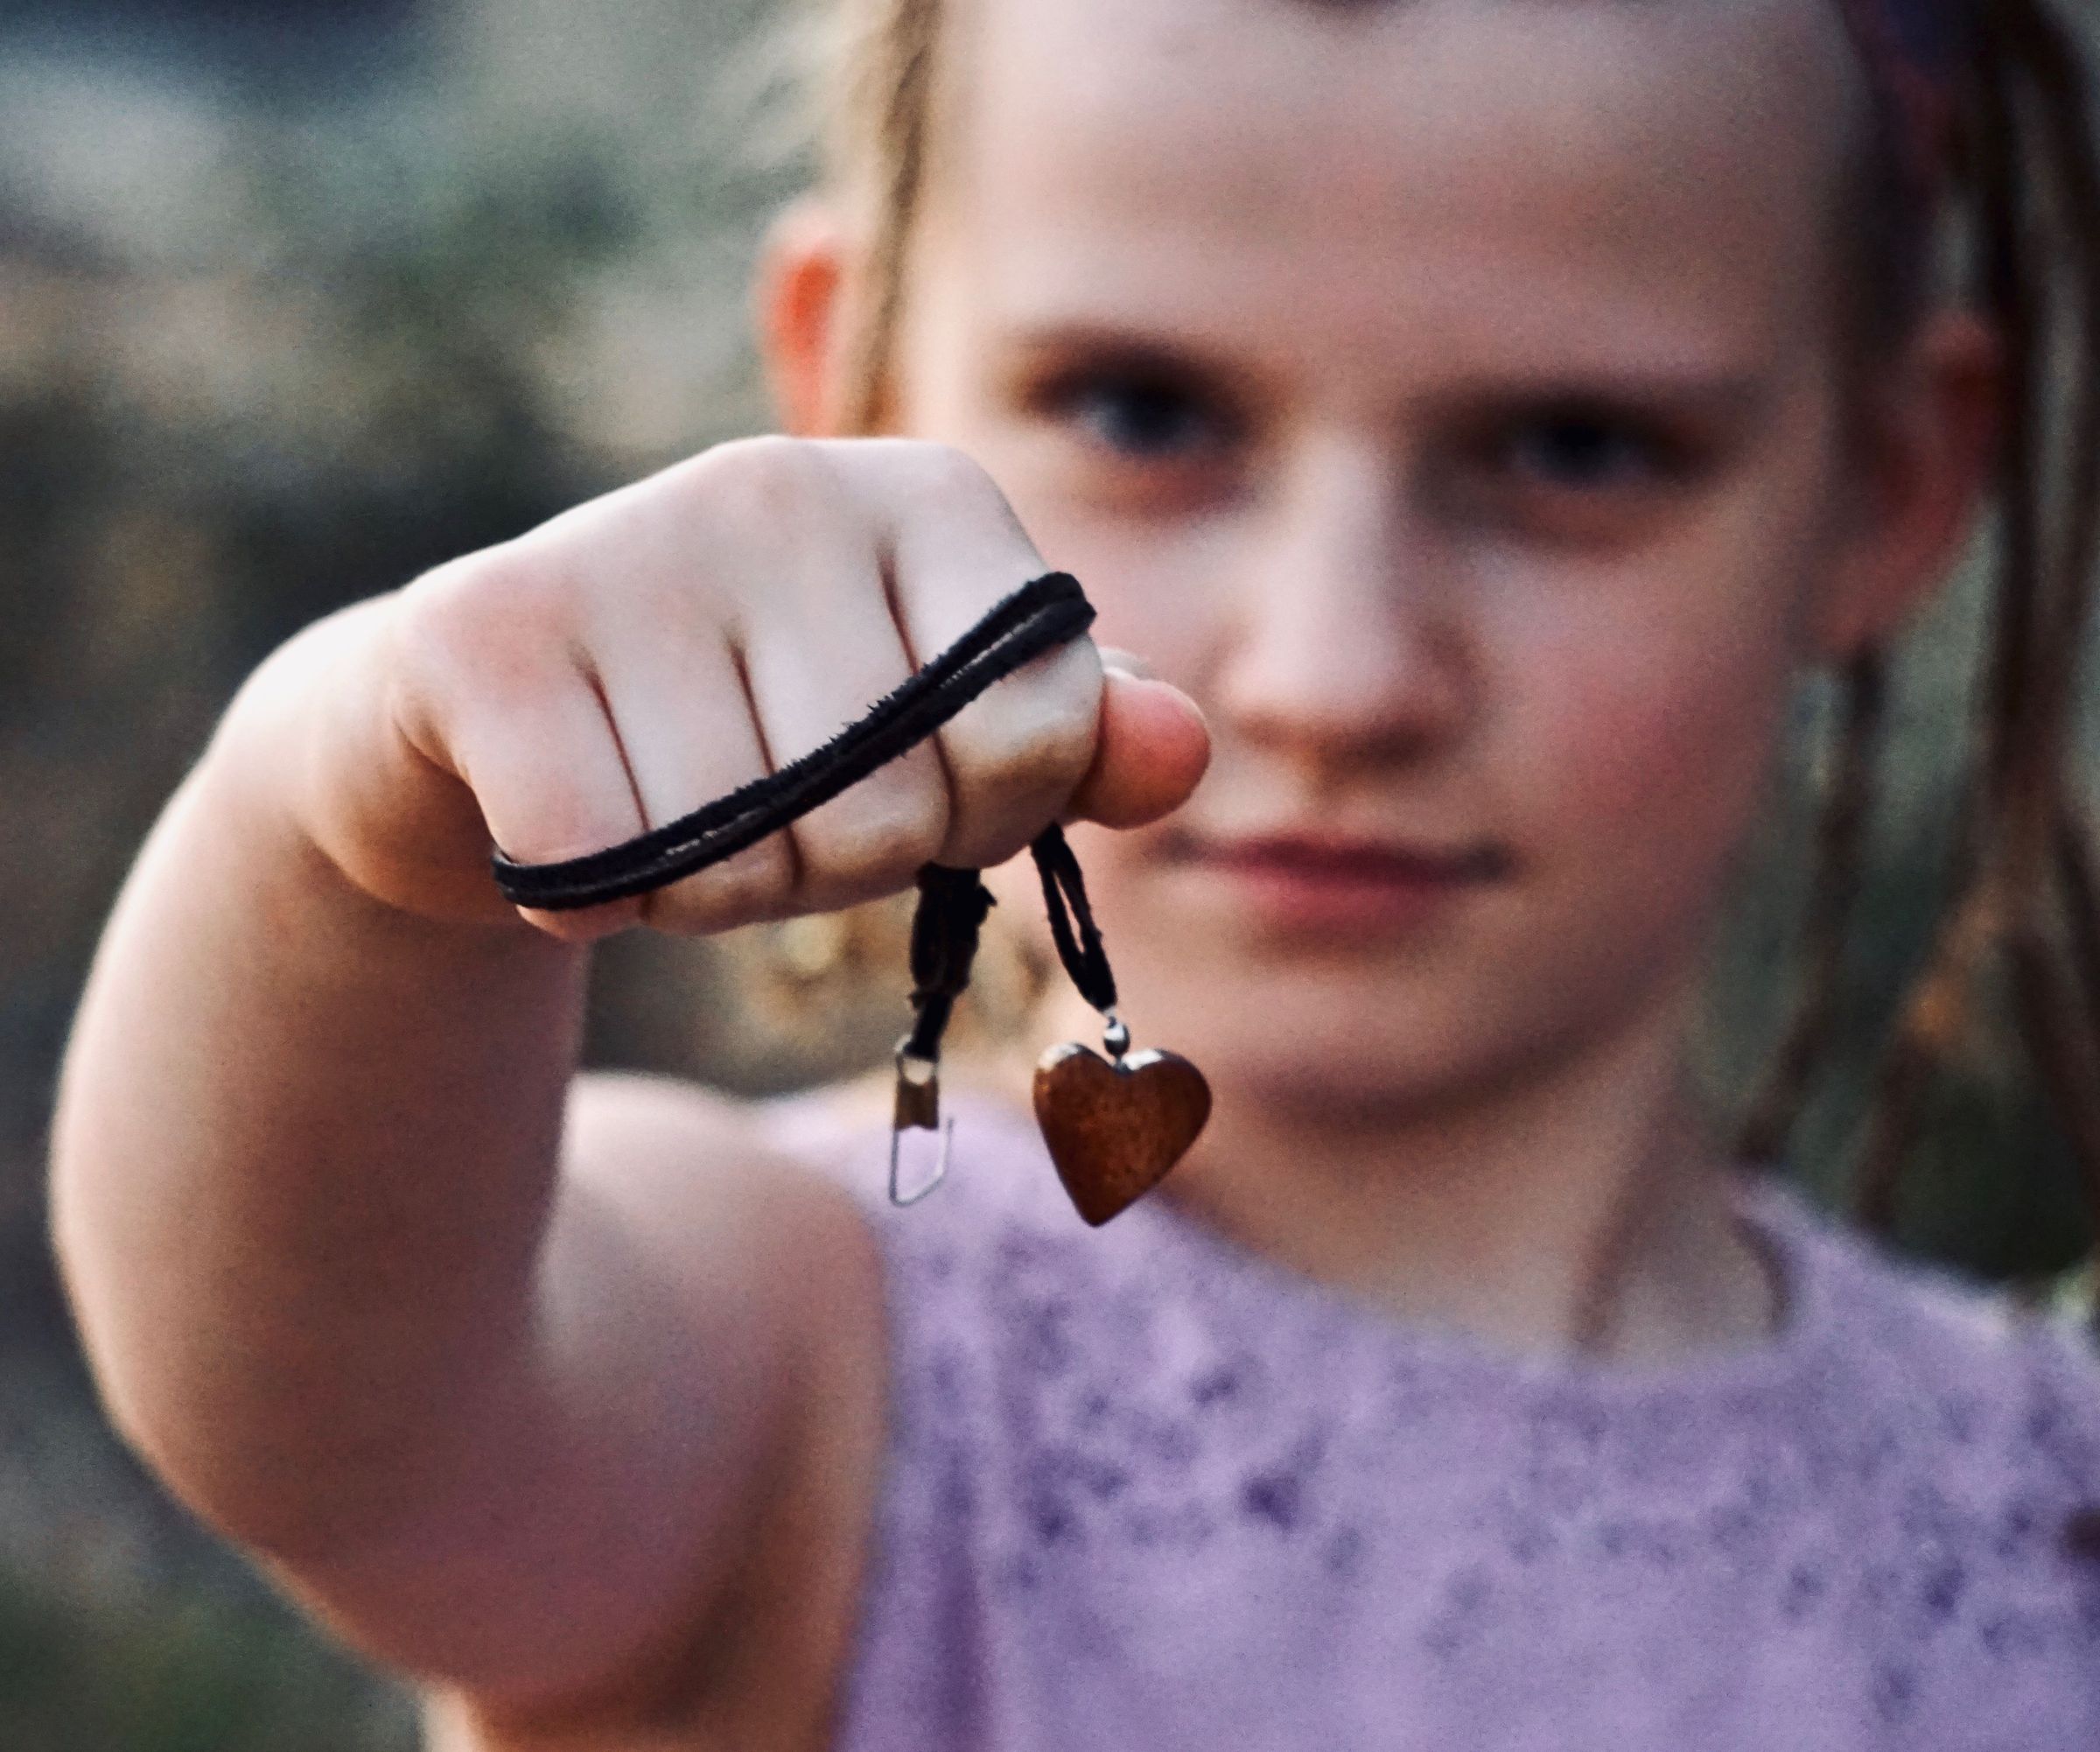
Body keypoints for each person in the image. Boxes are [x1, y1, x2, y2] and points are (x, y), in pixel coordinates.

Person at [47, 0, 2100, 1745]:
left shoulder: (2045, 1516)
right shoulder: (799, 1366)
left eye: (1575, 449)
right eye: (1141, 408)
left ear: (1894, 481)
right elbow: (319, 1402)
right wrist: (358, 819)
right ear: (852, 375)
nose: (1335, 673)